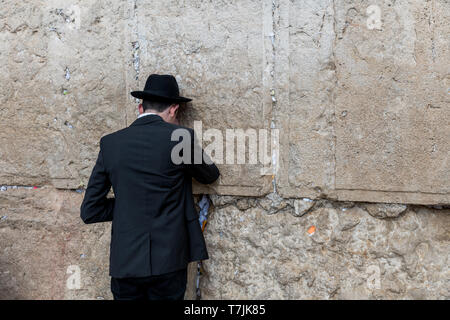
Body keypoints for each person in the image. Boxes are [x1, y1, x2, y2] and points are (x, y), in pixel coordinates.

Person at [80, 74, 220, 300]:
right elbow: (210, 175)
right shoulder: (179, 137)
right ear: (174, 109)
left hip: (125, 264)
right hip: (169, 259)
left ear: (140, 108)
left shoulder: (110, 143)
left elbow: (90, 211)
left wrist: (128, 203)